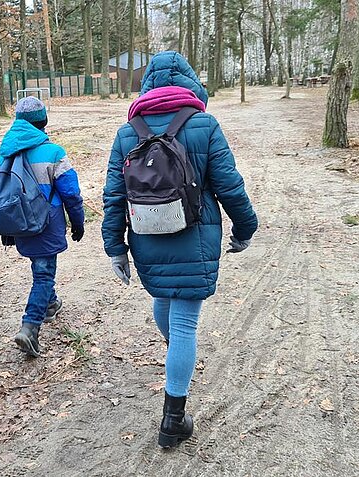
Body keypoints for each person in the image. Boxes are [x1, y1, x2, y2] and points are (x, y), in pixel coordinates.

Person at [102, 51, 258, 448]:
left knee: (163, 300)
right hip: (195, 236)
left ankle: (178, 357)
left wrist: (115, 248)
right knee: (185, 324)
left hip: (147, 236)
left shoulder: (127, 132)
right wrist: (245, 228)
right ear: (191, 83)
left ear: (146, 87)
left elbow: (114, 196)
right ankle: (173, 421)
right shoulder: (204, 125)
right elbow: (229, 185)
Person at [0, 96, 85, 358]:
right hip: (46, 220)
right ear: (43, 121)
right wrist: (77, 221)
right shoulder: (54, 152)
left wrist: (7, 229)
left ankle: (50, 304)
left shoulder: (6, 151)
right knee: (44, 274)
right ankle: (30, 326)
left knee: (40, 266)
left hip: (20, 221)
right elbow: (71, 193)